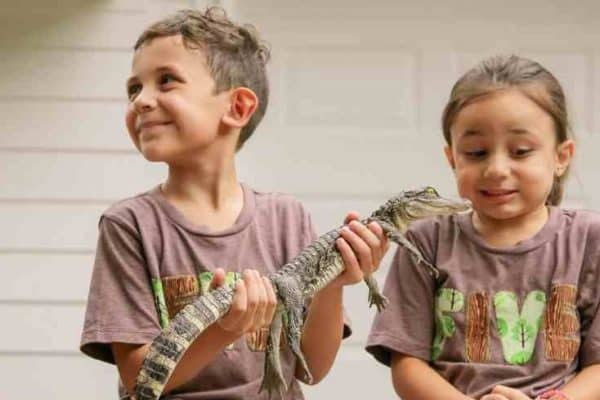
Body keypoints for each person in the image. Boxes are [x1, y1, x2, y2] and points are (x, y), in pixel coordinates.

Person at [80, 8, 388, 399]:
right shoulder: (129, 225)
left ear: (238, 107)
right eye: (134, 89)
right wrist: (221, 331)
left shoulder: (285, 218)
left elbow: (310, 367)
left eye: (167, 81)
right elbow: (139, 379)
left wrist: (333, 283)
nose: (142, 101)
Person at [366, 55, 600, 400]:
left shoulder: (588, 241)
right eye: (476, 153)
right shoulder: (426, 242)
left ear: (561, 157)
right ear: (452, 158)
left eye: (520, 151)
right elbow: (407, 363)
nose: (496, 168)